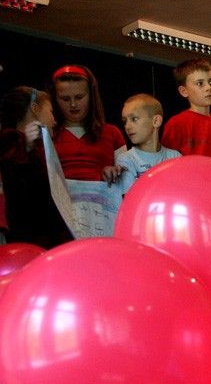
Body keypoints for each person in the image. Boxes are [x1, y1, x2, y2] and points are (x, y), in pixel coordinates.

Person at [0, 86, 72, 248]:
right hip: (28, 236)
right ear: (34, 108)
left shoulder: (40, 146)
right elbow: (13, 178)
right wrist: (26, 146)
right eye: (51, 112)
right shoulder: (11, 140)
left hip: (44, 234)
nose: (54, 120)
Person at [51, 65, 126, 183]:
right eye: (65, 99)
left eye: (79, 97)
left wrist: (114, 172)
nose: (73, 104)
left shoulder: (112, 133)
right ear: (55, 99)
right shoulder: (48, 134)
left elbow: (126, 178)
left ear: (91, 96)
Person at [161, 59, 211, 166]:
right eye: (200, 83)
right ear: (184, 91)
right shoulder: (176, 124)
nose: (208, 88)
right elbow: (166, 165)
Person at [116, 94, 181, 195]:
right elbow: (131, 198)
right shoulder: (126, 159)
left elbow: (181, 192)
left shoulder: (175, 157)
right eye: (124, 121)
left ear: (156, 121)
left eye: (134, 119)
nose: (127, 126)